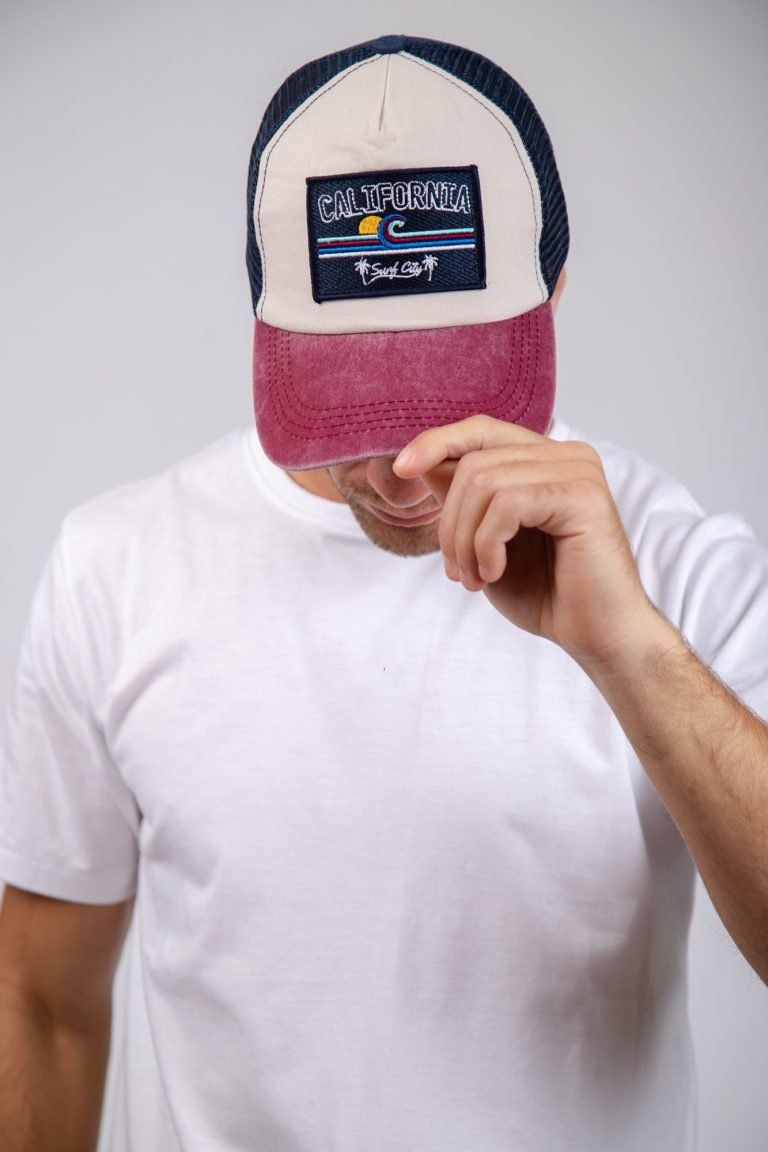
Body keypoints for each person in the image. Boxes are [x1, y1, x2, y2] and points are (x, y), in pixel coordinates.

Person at [0, 32, 766, 1152]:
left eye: (447, 389)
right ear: (266, 322)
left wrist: (629, 651)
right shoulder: (115, 567)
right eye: (353, 390)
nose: (405, 466)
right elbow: (44, 1005)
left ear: (553, 292)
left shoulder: (674, 562)